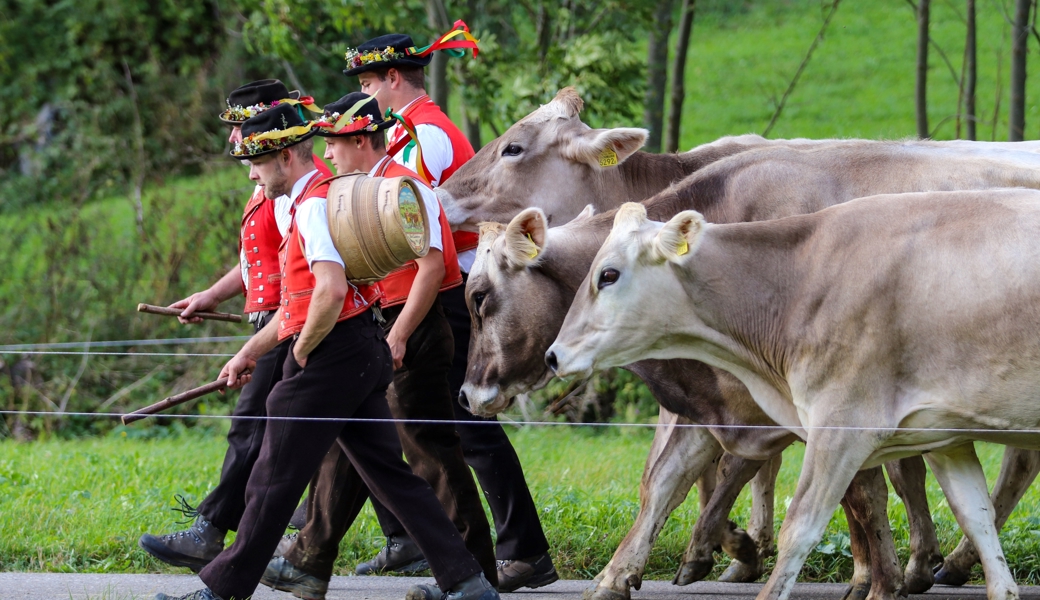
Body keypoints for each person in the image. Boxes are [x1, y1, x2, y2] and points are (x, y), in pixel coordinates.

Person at [154, 102, 499, 600]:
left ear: (288, 157)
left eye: (257, 159)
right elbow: (299, 301)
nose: (251, 171)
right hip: (359, 347)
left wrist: (298, 356)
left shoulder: (315, 204)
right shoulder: (315, 199)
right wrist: (250, 351)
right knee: (390, 474)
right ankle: (467, 582)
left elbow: (330, 292)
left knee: (272, 480)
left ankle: (221, 590)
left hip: (334, 352)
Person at [262, 93, 496, 600]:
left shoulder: (405, 188)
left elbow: (433, 268)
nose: (331, 153)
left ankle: (475, 573)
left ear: (362, 141)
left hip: (413, 326)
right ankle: (309, 560)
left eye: (337, 143)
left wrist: (399, 334)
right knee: (349, 447)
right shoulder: (358, 190)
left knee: (427, 449)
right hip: (378, 326)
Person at [348, 28, 557, 591]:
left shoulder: (429, 137)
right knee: (436, 424)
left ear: (393, 78)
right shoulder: (411, 132)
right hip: (434, 289)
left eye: (368, 83)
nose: (366, 94)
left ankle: (521, 551)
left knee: (470, 425)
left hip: (449, 291)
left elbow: (411, 226)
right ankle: (457, 547)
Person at [138, 79, 330, 572]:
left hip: (289, 321)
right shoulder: (272, 182)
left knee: (253, 428)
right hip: (276, 320)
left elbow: (305, 269)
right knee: (342, 444)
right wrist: (211, 294)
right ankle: (385, 533)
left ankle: (215, 533)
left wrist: (269, 332)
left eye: (240, 128)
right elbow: (257, 261)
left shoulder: (297, 188)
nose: (234, 141)